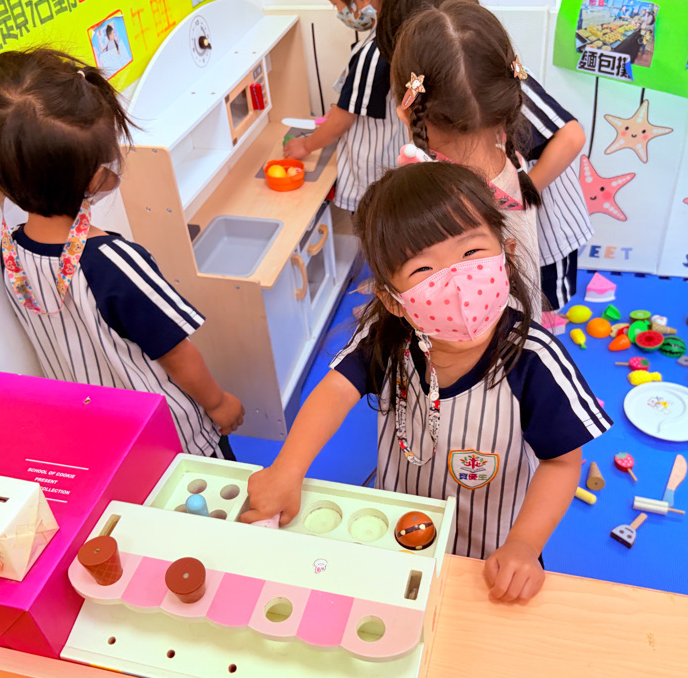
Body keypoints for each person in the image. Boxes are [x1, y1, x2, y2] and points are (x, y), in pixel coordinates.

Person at [241, 163, 610, 602]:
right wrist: (287, 469)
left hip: (490, 550)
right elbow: (336, 389)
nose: (456, 282)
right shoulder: (387, 337)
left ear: (507, 254)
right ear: (392, 300)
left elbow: (561, 463)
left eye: (471, 252)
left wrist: (525, 545)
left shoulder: (535, 359)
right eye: (423, 269)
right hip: (397, 529)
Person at [0, 48, 244, 459]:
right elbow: (176, 352)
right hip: (174, 436)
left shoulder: (11, 253)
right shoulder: (115, 262)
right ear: (98, 177)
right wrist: (219, 403)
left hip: (99, 434)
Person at [384, 0, 593, 310]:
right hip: (516, 321)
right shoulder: (509, 162)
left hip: (491, 329)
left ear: (408, 109)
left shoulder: (456, 199)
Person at [390, 0, 543, 304]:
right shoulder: (513, 162)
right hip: (524, 318)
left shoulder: (435, 195)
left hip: (479, 326)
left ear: (407, 111)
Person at [283, 0, 410, 221]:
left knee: (374, 231)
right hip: (393, 161)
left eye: (336, 4)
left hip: (373, 175)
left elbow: (343, 120)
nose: (339, 12)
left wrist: (306, 145)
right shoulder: (397, 30)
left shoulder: (375, 53)